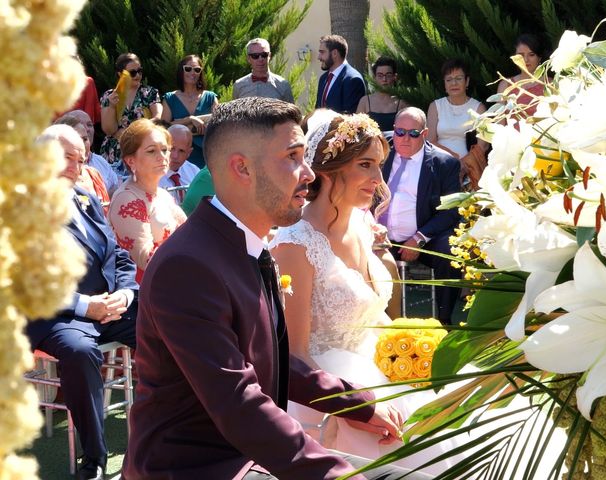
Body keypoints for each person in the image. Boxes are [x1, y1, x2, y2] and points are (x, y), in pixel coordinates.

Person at [122, 97, 429, 480]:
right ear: (242, 168)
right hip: (195, 466)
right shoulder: (187, 265)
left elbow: (281, 364)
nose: (310, 174)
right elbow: (238, 401)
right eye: (293, 158)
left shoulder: (250, 247)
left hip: (250, 454)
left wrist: (360, 405)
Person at [270, 111, 459, 474]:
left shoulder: (361, 220)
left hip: (381, 361)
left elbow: (374, 310)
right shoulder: (294, 244)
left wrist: (413, 346)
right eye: (366, 165)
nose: (378, 179)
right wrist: (355, 405)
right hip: (330, 390)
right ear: (328, 169)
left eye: (380, 165)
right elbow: (293, 355)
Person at [25, 124, 138, 480]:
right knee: (78, 351)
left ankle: (177, 426)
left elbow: (117, 256)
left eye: (81, 158)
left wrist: (126, 292)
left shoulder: (84, 197)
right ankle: (94, 460)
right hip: (53, 314)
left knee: (164, 322)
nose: (77, 167)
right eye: (68, 158)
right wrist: (86, 307)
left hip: (107, 305)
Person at [380, 107, 461, 324]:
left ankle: (444, 321)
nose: (405, 139)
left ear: (424, 134)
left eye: (413, 134)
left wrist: (419, 238)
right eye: (400, 132)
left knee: (450, 250)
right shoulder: (379, 148)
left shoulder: (444, 164)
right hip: (377, 236)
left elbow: (451, 210)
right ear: (394, 130)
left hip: (420, 239)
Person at [108, 119, 186, 283]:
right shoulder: (127, 198)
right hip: (147, 292)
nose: (162, 157)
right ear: (131, 161)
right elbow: (145, 258)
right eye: (152, 151)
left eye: (164, 150)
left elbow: (189, 234)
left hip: (174, 281)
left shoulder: (163, 195)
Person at [426, 59, 488, 190]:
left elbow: (482, 145)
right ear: (444, 83)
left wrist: (464, 165)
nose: (454, 83)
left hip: (470, 170)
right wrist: (454, 161)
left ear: (467, 81)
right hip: (439, 165)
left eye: (458, 78)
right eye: (449, 79)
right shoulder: (435, 106)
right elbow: (430, 140)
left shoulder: (478, 108)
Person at [100, 52, 162, 177]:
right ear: (120, 74)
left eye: (140, 71)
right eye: (133, 73)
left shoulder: (149, 92)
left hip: (141, 146)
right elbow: (109, 129)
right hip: (115, 150)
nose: (138, 75)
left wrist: (131, 132)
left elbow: (158, 117)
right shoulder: (110, 96)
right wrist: (111, 106)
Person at [161, 54, 219, 168]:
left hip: (206, 153)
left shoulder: (210, 97)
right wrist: (190, 119)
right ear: (181, 71)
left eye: (197, 70)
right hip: (177, 155)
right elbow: (164, 126)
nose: (192, 73)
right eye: (188, 69)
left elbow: (220, 123)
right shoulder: (170, 98)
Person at [54, 115, 111, 209]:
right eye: (76, 139)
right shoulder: (55, 180)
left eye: (85, 139)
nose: (82, 145)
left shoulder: (94, 175)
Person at [64, 109, 120, 195]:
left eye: (89, 125)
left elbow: (117, 189)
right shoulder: (61, 167)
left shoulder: (100, 162)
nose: (86, 129)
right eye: (80, 124)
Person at [497, 34, 546, 118]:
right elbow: (499, 122)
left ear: (539, 57)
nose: (526, 60)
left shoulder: (550, 84)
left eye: (531, 55)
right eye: (521, 55)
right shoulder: (505, 85)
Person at [232, 38, 295, 103]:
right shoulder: (239, 85)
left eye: (264, 55)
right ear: (248, 58)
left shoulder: (283, 85)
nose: (260, 59)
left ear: (269, 56)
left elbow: (292, 112)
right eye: (255, 56)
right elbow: (235, 111)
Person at [356, 56, 409, 132]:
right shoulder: (365, 101)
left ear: (395, 77)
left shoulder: (402, 103)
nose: (384, 79)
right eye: (380, 76)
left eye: (388, 75)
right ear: (374, 78)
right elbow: (357, 130)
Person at [315, 35, 366, 114]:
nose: (319, 57)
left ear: (335, 53)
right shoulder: (323, 78)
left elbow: (350, 117)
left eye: (322, 52)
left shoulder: (353, 80)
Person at [159, 124, 200, 204]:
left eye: (181, 151)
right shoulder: (150, 175)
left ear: (189, 153)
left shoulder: (194, 172)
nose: (175, 156)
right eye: (171, 149)